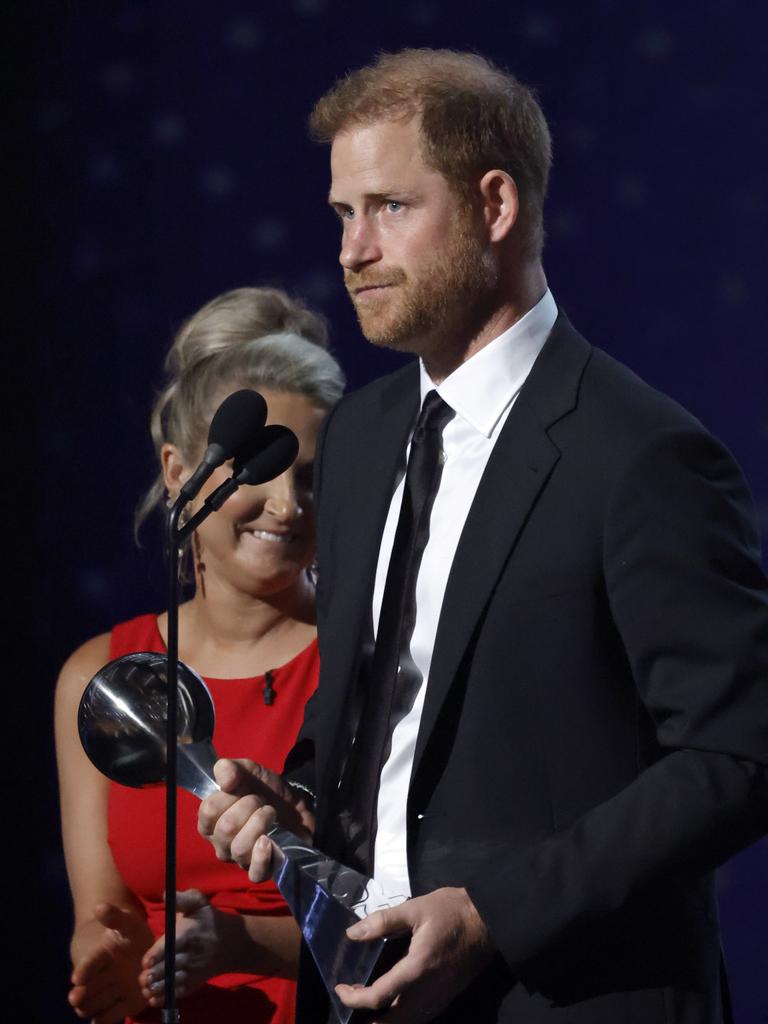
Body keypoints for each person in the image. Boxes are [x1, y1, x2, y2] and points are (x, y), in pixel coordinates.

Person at [198, 50, 768, 1023]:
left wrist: (495, 914)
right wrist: (303, 804)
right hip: (360, 990)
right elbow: (377, 714)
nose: (351, 250)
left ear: (494, 206)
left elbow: (740, 750)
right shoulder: (365, 434)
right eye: (342, 214)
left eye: (388, 207)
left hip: (565, 996)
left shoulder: (641, 454)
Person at [55, 285, 345, 1024]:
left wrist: (244, 941)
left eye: (310, 476)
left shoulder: (366, 658)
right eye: (259, 469)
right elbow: (103, 909)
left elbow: (397, 916)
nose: (287, 504)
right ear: (180, 470)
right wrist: (101, 953)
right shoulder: (101, 675)